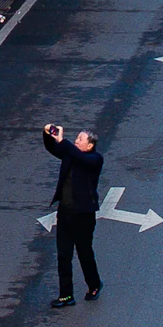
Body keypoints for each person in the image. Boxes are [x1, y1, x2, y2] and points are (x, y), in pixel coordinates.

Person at [43, 124, 103, 307]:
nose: (76, 141)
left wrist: (64, 141)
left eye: (80, 139)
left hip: (83, 215)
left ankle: (94, 284)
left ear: (90, 145)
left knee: (84, 253)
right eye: (76, 138)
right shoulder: (70, 154)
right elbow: (53, 148)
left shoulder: (95, 159)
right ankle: (66, 295)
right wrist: (48, 134)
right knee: (63, 255)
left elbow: (76, 155)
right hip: (65, 213)